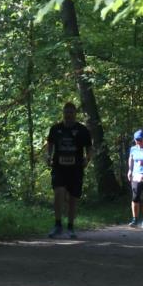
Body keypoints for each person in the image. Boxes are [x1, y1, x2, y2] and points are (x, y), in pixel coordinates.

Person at [45, 101, 92, 239]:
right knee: (58, 192)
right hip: (59, 167)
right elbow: (50, 144)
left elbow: (89, 148)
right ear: (63, 113)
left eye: (71, 112)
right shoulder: (55, 129)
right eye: (66, 112)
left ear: (75, 114)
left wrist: (87, 159)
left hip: (76, 168)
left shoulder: (82, 130)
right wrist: (48, 156)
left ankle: (70, 227)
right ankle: (57, 224)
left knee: (72, 198)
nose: (68, 115)